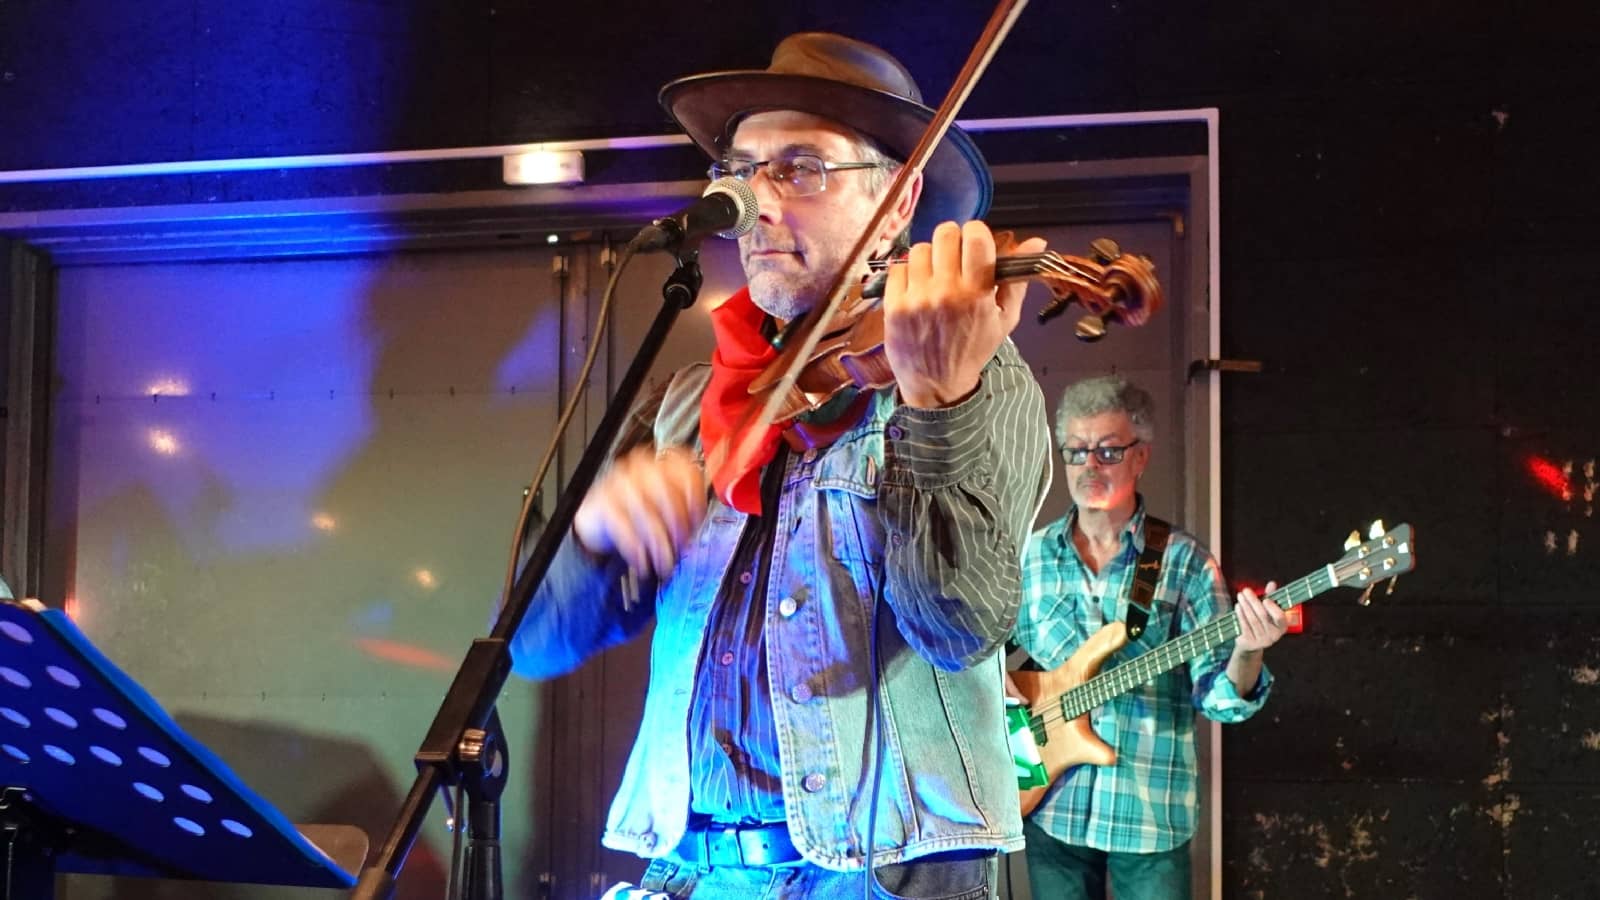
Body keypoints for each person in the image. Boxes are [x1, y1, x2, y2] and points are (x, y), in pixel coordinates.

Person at [508, 32, 1053, 899]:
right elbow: (533, 646)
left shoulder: (969, 369)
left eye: (798, 168)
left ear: (900, 198)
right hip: (687, 873)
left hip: (881, 877)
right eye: (740, 168)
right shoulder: (694, 399)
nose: (752, 201)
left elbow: (959, 627)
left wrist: (934, 405)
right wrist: (593, 531)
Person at [1010, 374, 1287, 900]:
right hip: (1052, 805)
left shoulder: (1186, 563)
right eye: (1076, 451)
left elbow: (1221, 700)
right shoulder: (1030, 557)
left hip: (1149, 810)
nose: (1090, 465)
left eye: (1109, 451)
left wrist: (1248, 651)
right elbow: (978, 662)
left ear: (1141, 457)